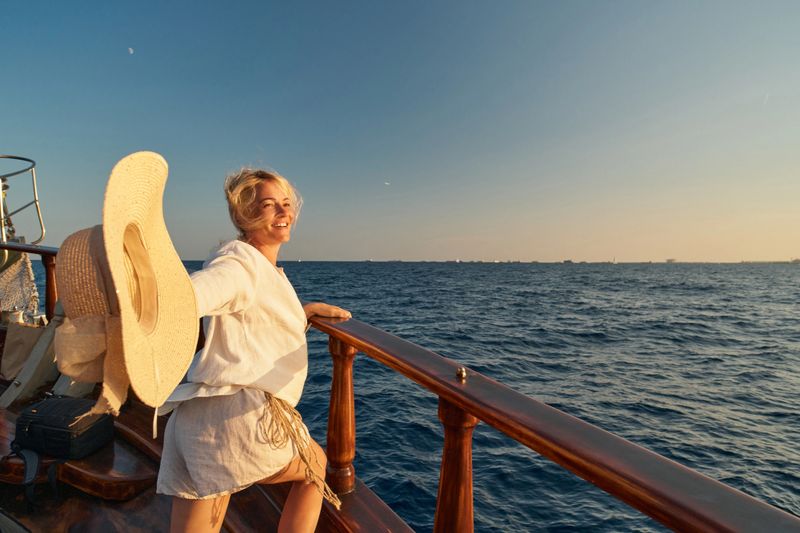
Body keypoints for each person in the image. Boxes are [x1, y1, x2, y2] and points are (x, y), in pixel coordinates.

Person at [156, 168, 350, 533]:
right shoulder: (239, 264)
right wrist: (164, 302)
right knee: (314, 468)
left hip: (195, 421)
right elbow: (204, 291)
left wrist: (302, 313)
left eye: (286, 204)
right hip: (236, 422)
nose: (283, 212)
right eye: (269, 205)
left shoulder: (259, 266)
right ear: (245, 216)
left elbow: (253, 318)